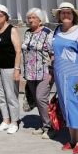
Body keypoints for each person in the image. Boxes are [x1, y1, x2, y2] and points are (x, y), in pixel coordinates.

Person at [51, 2, 78, 154]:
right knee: (66, 107)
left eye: (69, 12)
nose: (65, 15)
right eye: (63, 13)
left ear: (73, 15)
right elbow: (54, 50)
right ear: (59, 16)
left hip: (76, 76)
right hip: (60, 76)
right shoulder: (57, 30)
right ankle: (72, 139)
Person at [22, 8, 55, 139]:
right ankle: (44, 125)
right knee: (37, 99)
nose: (30, 20)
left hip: (44, 72)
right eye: (29, 17)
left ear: (40, 19)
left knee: (41, 98)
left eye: (33, 17)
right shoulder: (27, 33)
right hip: (30, 73)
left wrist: (52, 71)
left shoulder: (47, 33)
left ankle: (51, 126)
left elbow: (53, 53)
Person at [0, 4, 21, 134]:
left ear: (6, 16)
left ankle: (15, 122)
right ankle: (6, 120)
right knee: (0, 95)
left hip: (9, 67)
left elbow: (18, 50)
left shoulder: (11, 30)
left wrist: (17, 69)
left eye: (0, 15)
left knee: (11, 95)